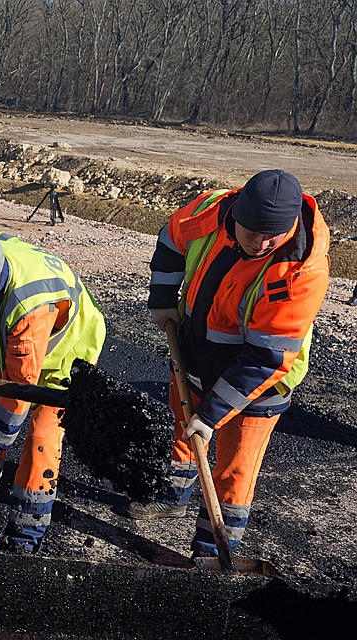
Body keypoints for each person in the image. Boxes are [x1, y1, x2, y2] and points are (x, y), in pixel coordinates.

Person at [128, 169, 330, 559]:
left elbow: (266, 357)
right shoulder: (211, 211)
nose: (262, 243)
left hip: (261, 382)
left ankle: (211, 555)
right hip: (197, 351)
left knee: (234, 471)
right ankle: (174, 497)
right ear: (235, 214)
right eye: (252, 232)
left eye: (273, 235)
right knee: (184, 427)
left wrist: (212, 414)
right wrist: (163, 297)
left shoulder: (302, 270)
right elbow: (172, 238)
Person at [0, 223, 106, 552]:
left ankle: (27, 531)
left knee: (43, 435)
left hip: (66, 352)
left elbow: (19, 394)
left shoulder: (30, 304)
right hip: (15, 339)